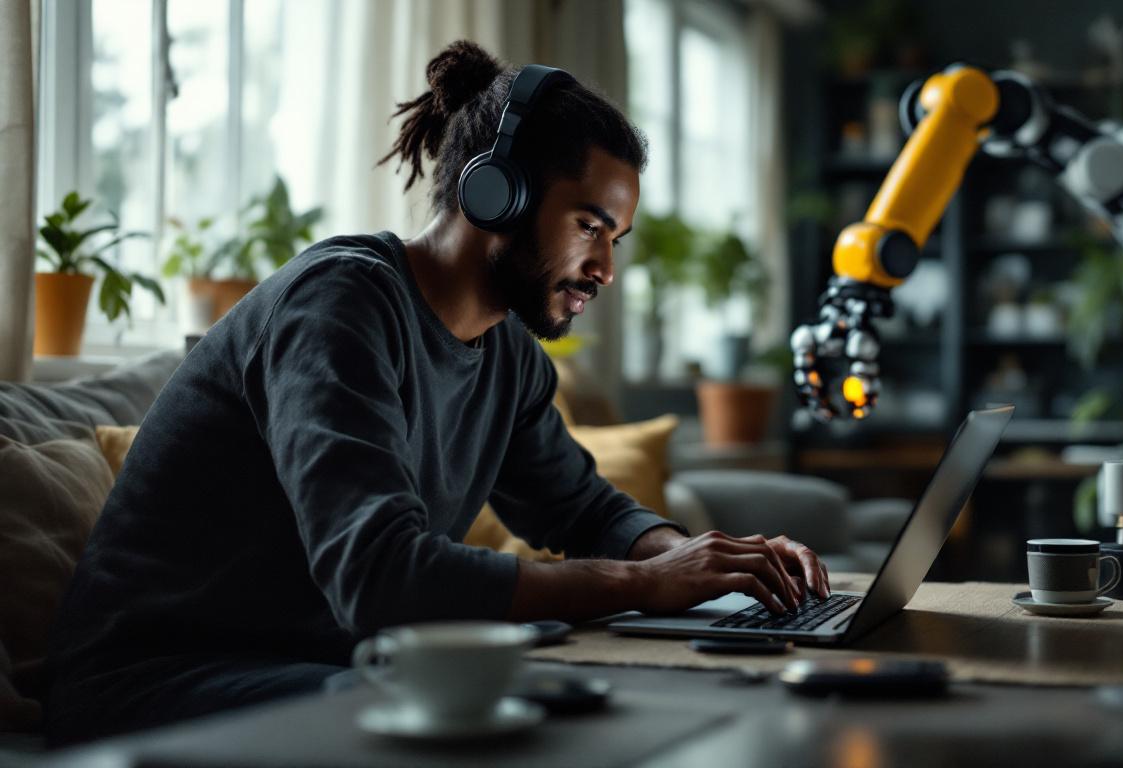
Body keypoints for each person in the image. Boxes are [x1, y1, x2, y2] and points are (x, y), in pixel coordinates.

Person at [44, 40, 829, 745]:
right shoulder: (339, 307)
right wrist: (639, 583)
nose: (605, 270)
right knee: (471, 712)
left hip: (310, 663)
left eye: (614, 239)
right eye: (590, 225)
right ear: (500, 193)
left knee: (591, 698)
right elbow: (380, 577)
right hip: (153, 684)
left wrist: (694, 559)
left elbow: (582, 509)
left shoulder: (508, 358)